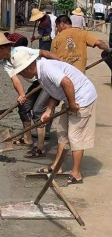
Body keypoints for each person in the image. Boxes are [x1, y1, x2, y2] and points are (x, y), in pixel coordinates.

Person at [11, 49, 97, 184]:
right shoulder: (41, 73)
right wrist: (48, 111)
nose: (22, 75)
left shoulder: (47, 69)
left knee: (75, 137)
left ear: (27, 68)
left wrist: (73, 104)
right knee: (62, 134)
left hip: (83, 99)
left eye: (21, 72)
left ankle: (76, 174)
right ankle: (57, 167)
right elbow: (55, 90)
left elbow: (67, 83)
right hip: (71, 99)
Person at [0, 32, 60, 157]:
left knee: (38, 111)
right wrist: (21, 95)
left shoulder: (21, 51)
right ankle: (28, 139)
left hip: (46, 79)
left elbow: (42, 52)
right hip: (36, 82)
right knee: (24, 106)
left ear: (2, 48)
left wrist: (59, 61)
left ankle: (40, 147)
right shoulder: (6, 62)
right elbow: (15, 80)